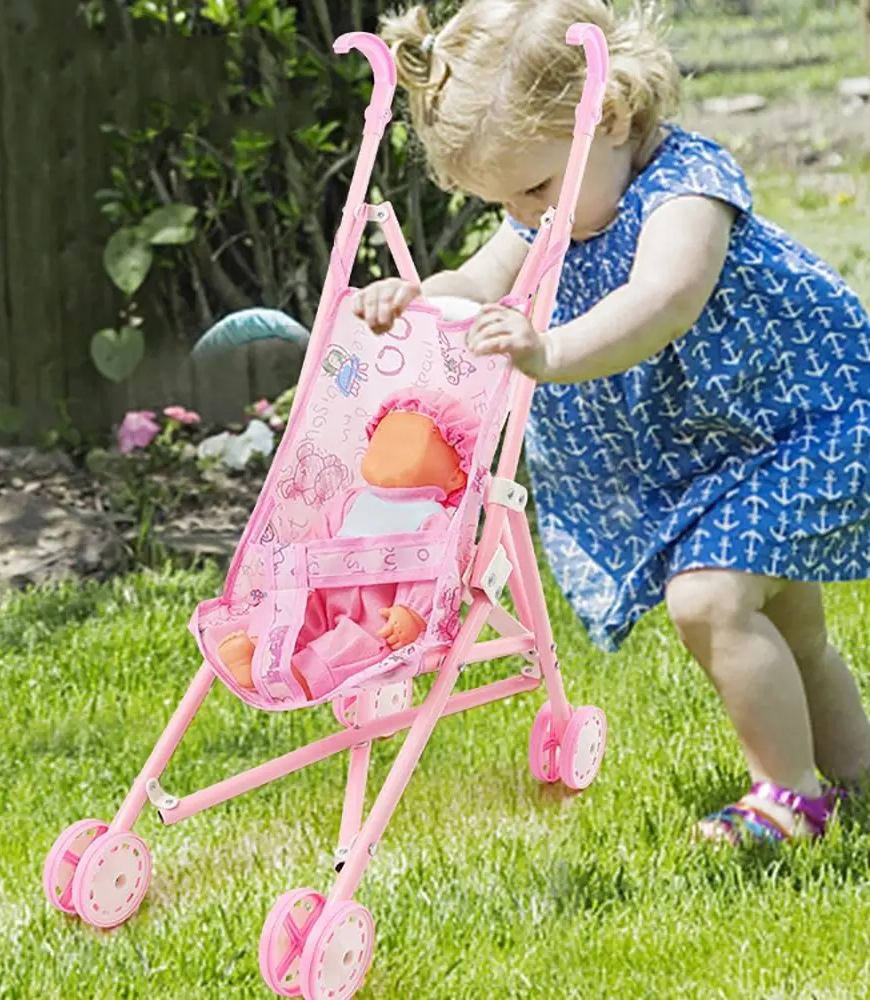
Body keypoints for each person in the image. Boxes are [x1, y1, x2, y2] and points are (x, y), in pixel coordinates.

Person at [352, 0, 870, 844]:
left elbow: (661, 302)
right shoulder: (551, 211)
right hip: (722, 452)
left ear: (612, 114)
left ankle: (790, 797)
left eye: (534, 187)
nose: (526, 214)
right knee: (790, 628)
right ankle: (854, 779)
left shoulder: (685, 190)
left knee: (708, 600)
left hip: (797, 429)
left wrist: (550, 351)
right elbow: (481, 282)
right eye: (506, 200)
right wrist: (417, 299)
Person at [218, 388, 479, 702]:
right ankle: (259, 647)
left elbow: (433, 574)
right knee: (292, 606)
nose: (389, 449)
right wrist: (299, 576)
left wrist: (413, 613)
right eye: (384, 438)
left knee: (358, 644)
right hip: (322, 592)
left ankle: (304, 675)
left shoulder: (432, 518)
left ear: (455, 475)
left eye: (406, 444)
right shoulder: (351, 501)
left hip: (376, 612)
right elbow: (317, 538)